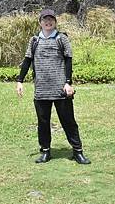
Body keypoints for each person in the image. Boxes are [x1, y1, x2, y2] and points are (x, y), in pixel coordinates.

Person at [16, 9, 91, 165]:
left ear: (55, 22)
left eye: (51, 20)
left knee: (68, 121)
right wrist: (20, 81)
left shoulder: (61, 38)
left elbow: (68, 60)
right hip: (41, 89)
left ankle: (78, 152)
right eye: (45, 20)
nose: (48, 22)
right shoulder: (34, 40)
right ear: (40, 22)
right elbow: (27, 60)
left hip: (60, 88)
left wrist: (68, 82)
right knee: (43, 122)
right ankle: (45, 152)